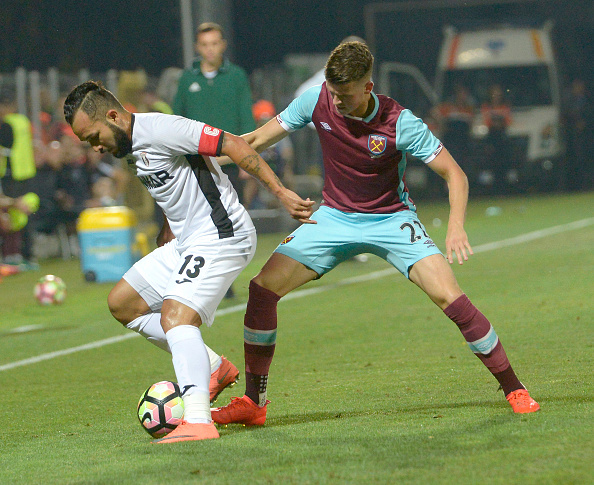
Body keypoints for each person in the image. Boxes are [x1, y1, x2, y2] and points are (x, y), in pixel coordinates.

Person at [211, 41, 540, 427]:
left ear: (368, 88)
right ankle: (254, 401)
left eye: (344, 96)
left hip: (391, 220)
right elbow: (250, 143)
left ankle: (514, 388)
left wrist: (455, 225)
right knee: (262, 289)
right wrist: (196, 155)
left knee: (451, 298)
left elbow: (455, 174)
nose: (336, 103)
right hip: (333, 218)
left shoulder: (400, 122)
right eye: (332, 94)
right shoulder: (314, 101)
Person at [63, 81, 314, 443]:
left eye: (94, 136)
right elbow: (177, 183)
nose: (96, 146)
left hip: (221, 235)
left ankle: (198, 420)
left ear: (114, 115)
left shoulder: (162, 128)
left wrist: (280, 193)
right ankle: (212, 367)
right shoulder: (130, 146)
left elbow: (234, 144)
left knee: (176, 315)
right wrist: (169, 227)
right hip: (187, 241)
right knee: (123, 303)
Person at [173, 21, 256, 298]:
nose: (210, 49)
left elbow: (246, 117)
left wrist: (247, 160)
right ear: (198, 48)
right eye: (204, 44)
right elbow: (175, 121)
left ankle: (224, 282)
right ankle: (201, 280)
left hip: (229, 163)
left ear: (223, 45)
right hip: (196, 163)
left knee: (229, 223)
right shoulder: (187, 79)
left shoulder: (236, 77)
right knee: (198, 224)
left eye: (215, 43)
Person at [239, 100, 295, 209]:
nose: (265, 124)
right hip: (257, 174)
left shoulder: (280, 134)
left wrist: (284, 160)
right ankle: (245, 207)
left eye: (268, 120)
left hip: (277, 170)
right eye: (262, 121)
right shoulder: (250, 134)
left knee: (288, 173)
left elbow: (287, 153)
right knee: (250, 178)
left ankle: (292, 203)